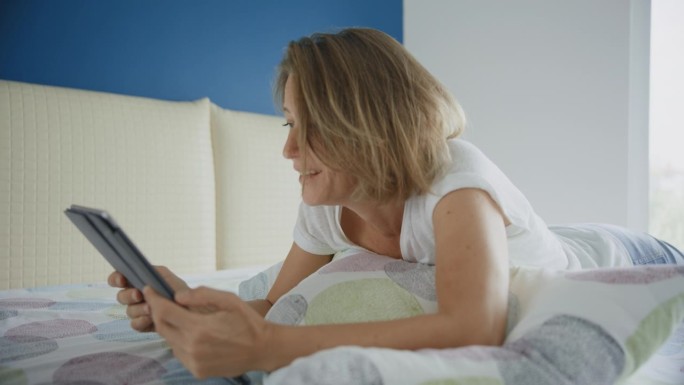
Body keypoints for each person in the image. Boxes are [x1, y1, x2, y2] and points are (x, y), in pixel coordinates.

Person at [108, 28, 684, 380]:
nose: (287, 149)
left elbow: (474, 326)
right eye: (289, 123)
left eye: (311, 129)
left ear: (368, 125)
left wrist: (268, 349)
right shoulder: (327, 201)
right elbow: (274, 306)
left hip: (619, 249)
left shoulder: (455, 177)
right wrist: (183, 303)